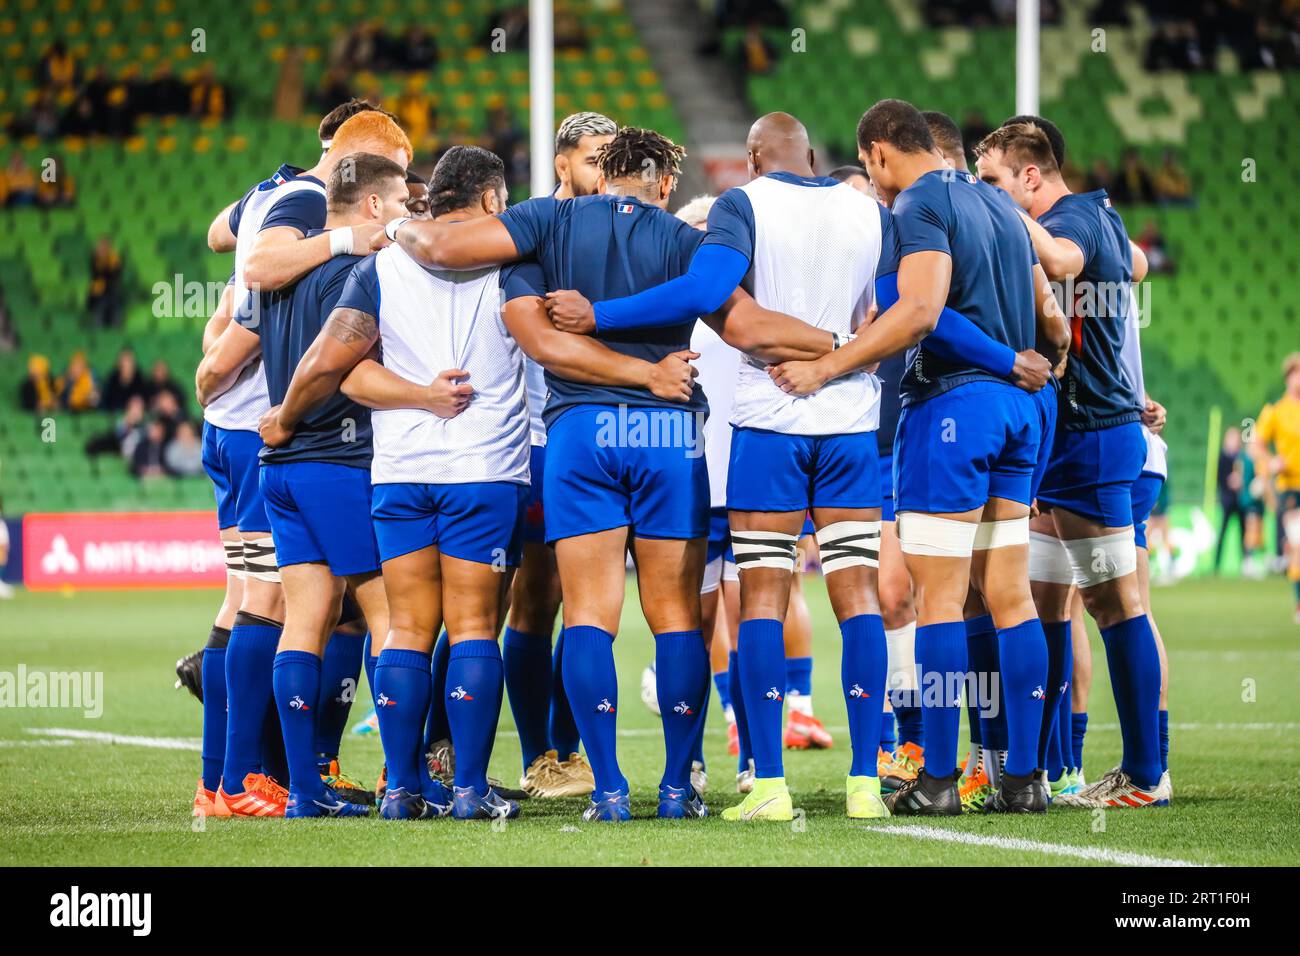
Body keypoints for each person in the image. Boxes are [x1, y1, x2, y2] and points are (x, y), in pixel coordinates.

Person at [387, 126, 833, 821]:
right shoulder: (687, 241)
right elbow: (748, 328)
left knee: (589, 615)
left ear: (603, 174)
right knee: (677, 618)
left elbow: (445, 247)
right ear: (663, 184)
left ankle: (607, 789)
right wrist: (838, 341)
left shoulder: (550, 221)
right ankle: (680, 789)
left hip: (579, 435)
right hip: (666, 434)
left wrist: (396, 225)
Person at [768, 100, 1065, 815]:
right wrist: (1023, 365)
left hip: (956, 411)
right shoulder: (997, 205)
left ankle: (935, 780)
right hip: (1018, 416)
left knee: (936, 599)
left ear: (875, 153)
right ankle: (1023, 780)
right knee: (1011, 597)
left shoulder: (919, 205)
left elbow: (922, 312)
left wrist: (829, 365)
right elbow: (1047, 314)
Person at [194, 108, 413, 819]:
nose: (406, 191)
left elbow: (225, 239)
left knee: (297, 605)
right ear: (370, 169)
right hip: (293, 433)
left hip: (264, 436)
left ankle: (283, 777)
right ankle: (244, 779)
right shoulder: (308, 208)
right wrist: (223, 367)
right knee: (305, 603)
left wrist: (221, 336)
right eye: (400, 175)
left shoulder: (275, 195)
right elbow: (254, 266)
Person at [975, 120, 1169, 809]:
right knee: (1047, 605)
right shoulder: (1105, 217)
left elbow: (1061, 261)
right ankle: (1045, 767)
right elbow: (1135, 269)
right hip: (1066, 438)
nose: (985, 194)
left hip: (1092, 436)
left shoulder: (1074, 217)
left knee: (1116, 605)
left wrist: (1005, 217)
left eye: (994, 182)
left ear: (1031, 176)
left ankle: (1149, 774)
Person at [1253, 352, 1300, 622]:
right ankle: (1298, 605)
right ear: (1289, 377)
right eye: (1297, 373)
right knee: (1298, 544)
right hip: (1290, 487)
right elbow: (1255, 446)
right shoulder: (1276, 411)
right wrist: (1271, 461)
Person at [87, 237, 124, 328]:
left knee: (116, 317)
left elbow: (115, 274)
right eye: (100, 246)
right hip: (99, 293)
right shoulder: (95, 259)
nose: (102, 249)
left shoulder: (114, 258)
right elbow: (96, 275)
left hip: (112, 292)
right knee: (98, 316)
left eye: (105, 246)